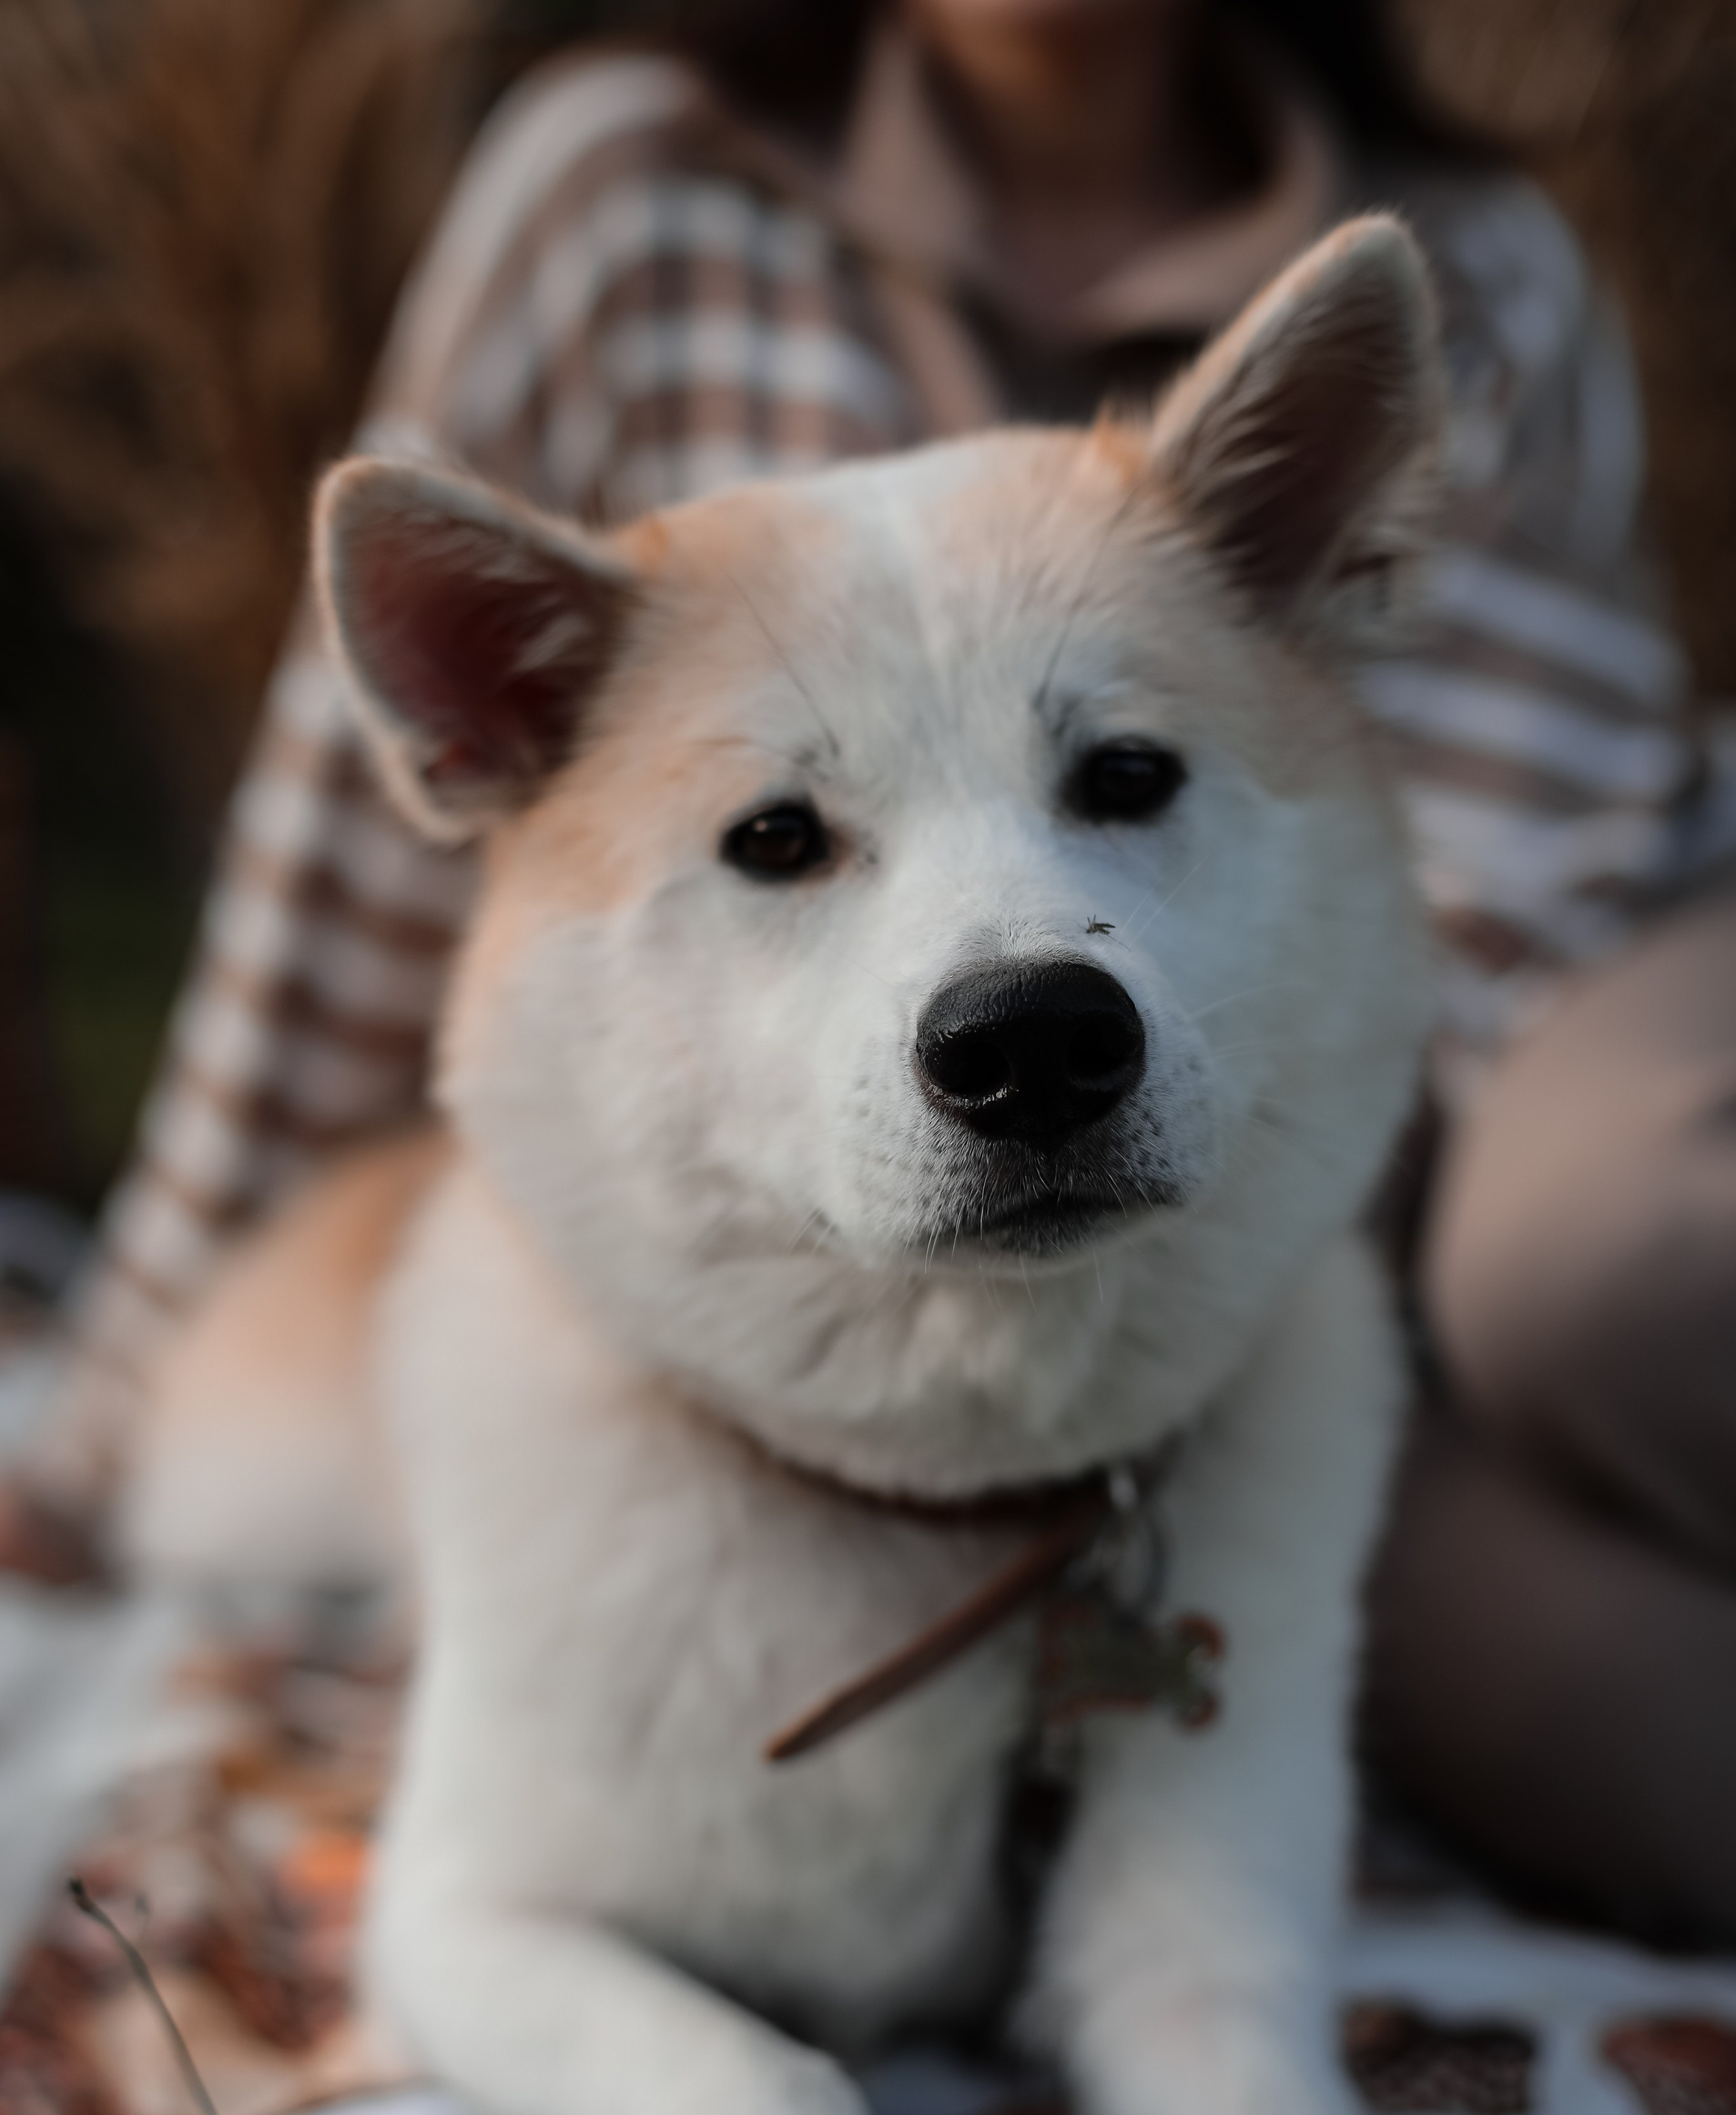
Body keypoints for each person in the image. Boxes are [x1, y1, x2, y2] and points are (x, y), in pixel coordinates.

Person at [3, 0, 1733, 1943]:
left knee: (1595, 1269)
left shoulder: (1468, 257)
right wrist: (115, 1400)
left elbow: (1556, 844)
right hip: (1133, 1262)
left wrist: (1301, 1157)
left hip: (1499, 1056)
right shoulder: (627, 189)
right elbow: (345, 869)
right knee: (1641, 1749)